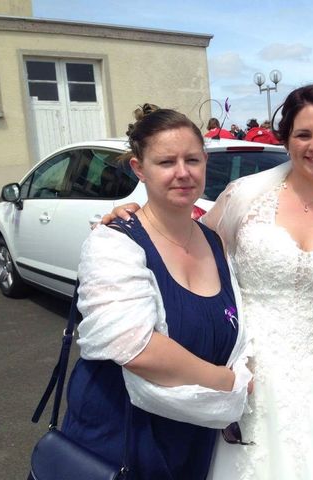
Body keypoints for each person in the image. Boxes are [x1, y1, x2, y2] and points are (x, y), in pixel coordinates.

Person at [103, 87, 313, 479]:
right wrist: (135, 216)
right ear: (286, 139)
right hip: (252, 363)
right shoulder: (246, 196)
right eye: (303, 135)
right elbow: (186, 242)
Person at [62, 104, 253, 479]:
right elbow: (134, 347)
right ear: (139, 169)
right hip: (120, 435)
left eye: (192, 160)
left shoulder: (215, 242)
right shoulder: (114, 243)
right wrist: (230, 383)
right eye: (166, 162)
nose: (182, 173)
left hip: (192, 439)